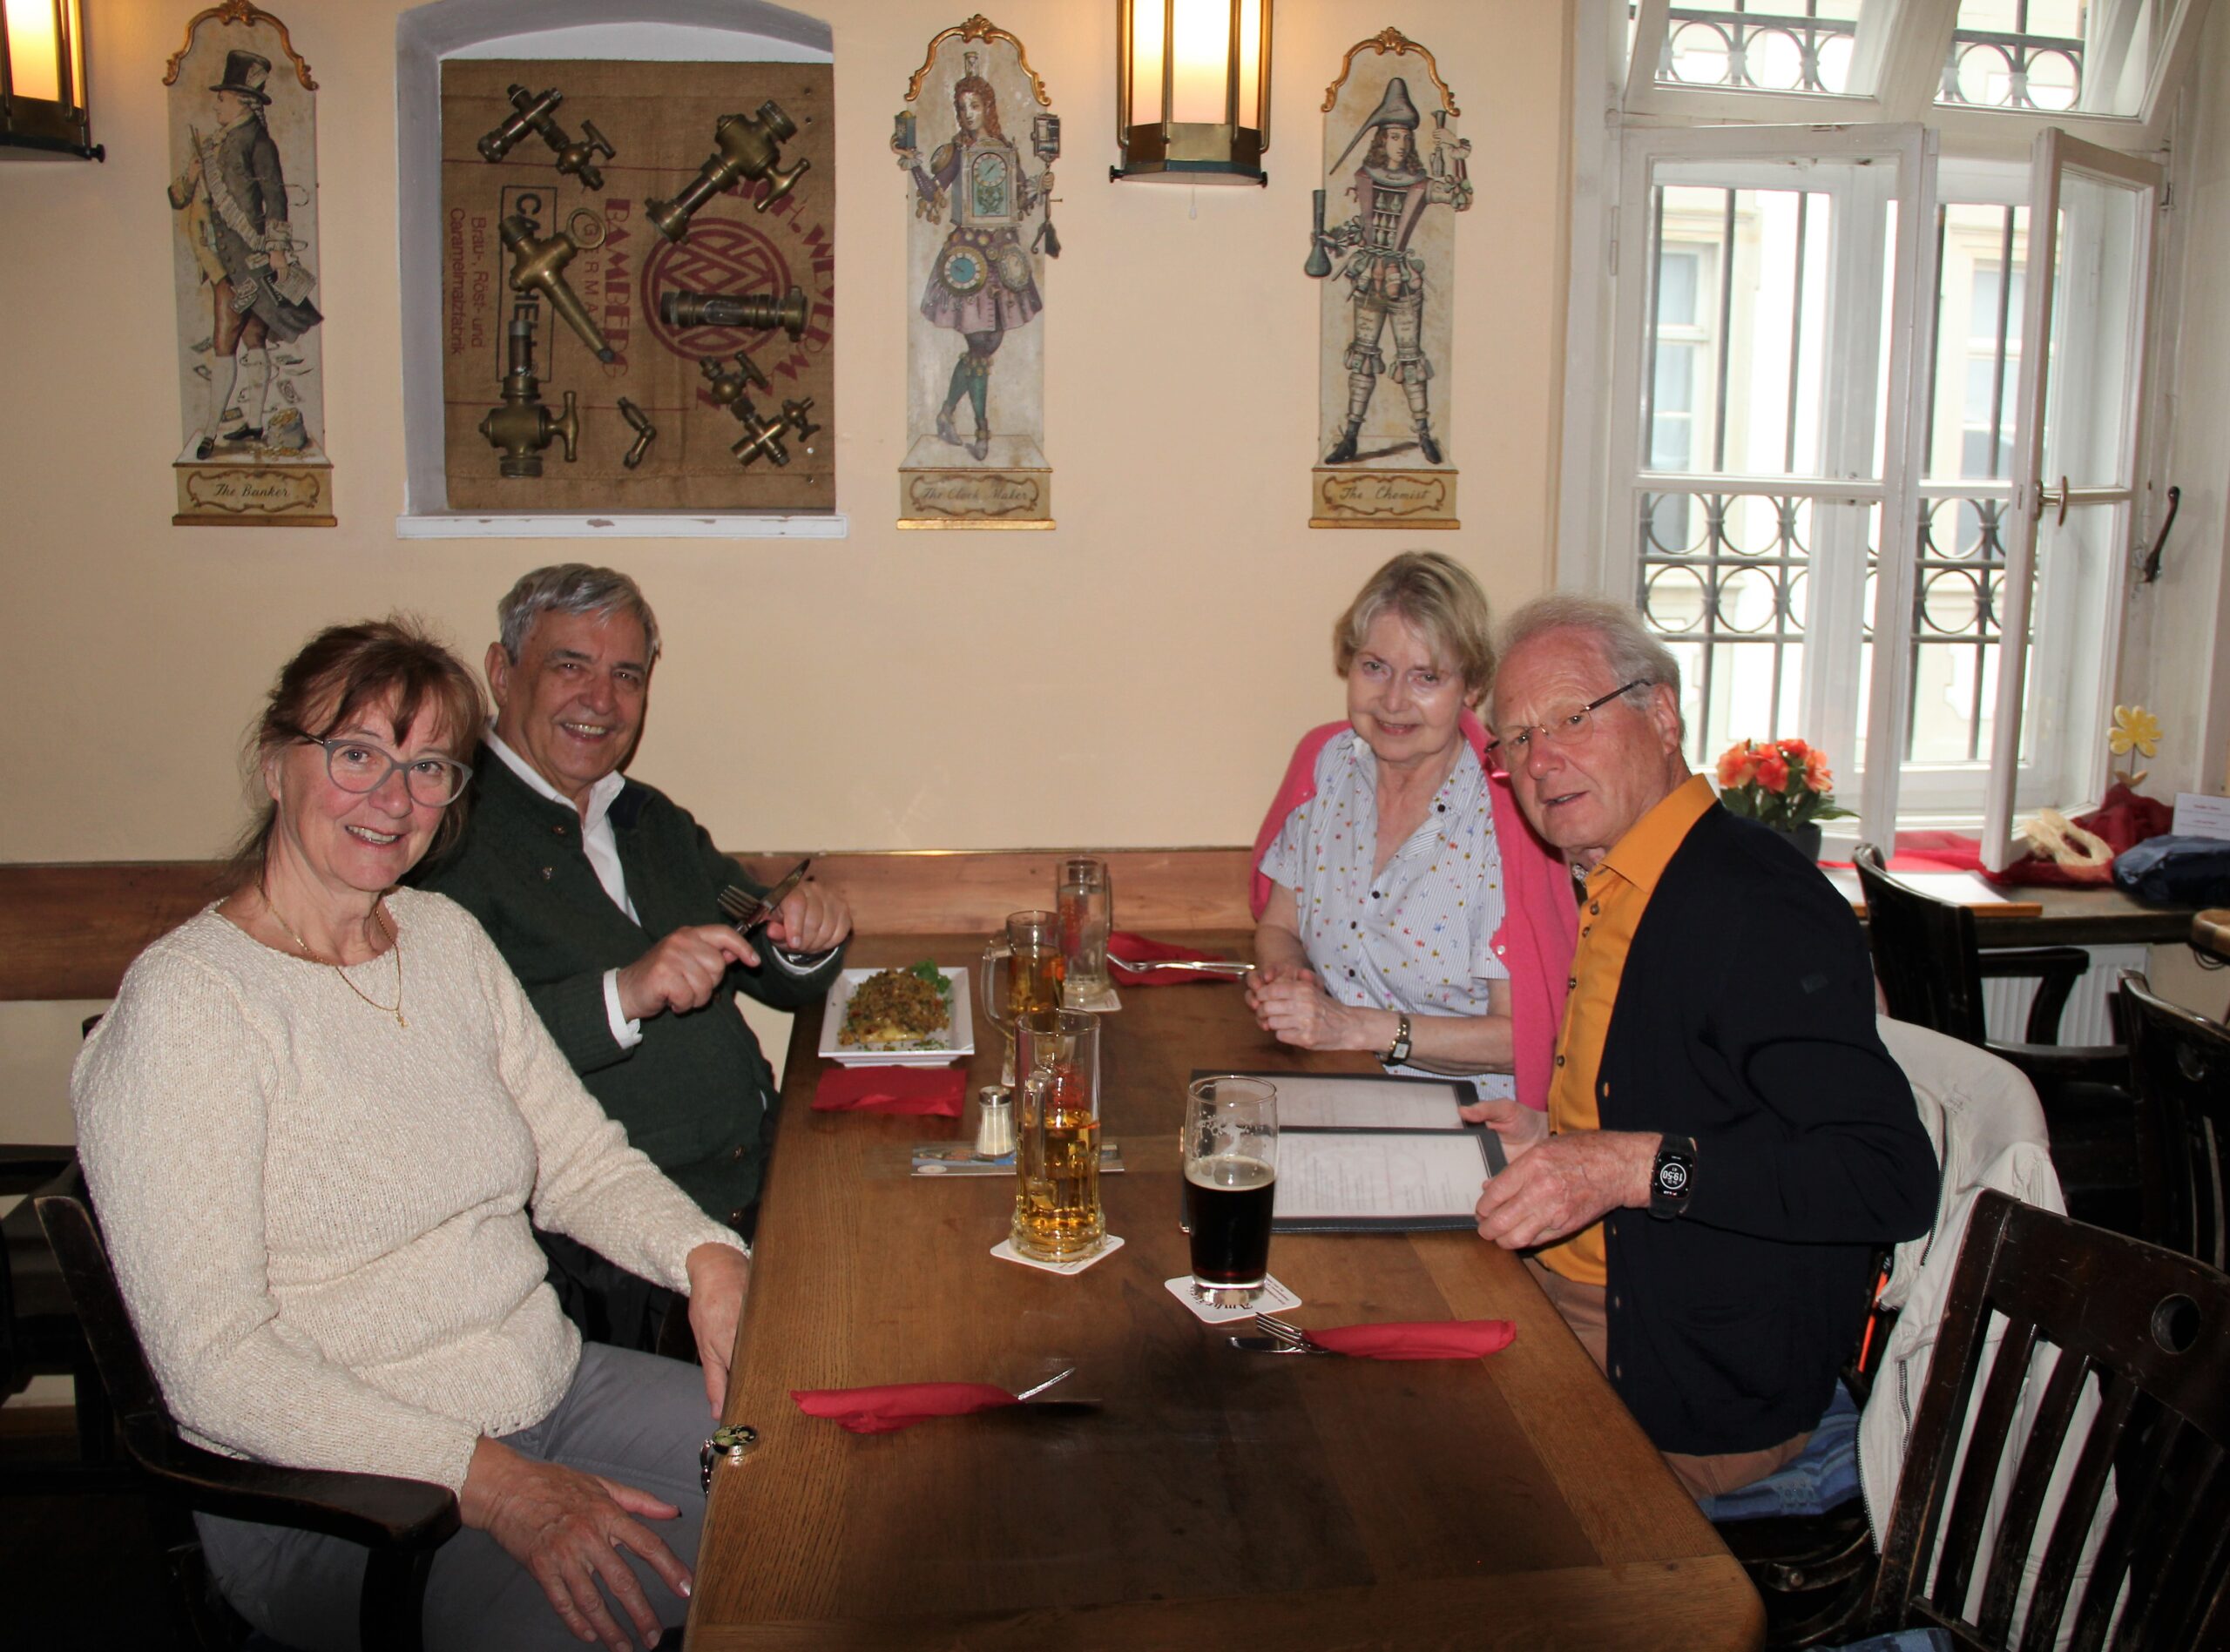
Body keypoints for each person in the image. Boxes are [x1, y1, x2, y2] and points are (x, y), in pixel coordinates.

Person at [73, 619, 750, 1652]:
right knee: (656, 1605)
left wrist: (706, 1255)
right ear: (275, 764)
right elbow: (215, 1366)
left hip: (553, 1389)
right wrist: (498, 1484)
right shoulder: (189, 1007)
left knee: (822, 1490)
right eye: (356, 754)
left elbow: (577, 1162)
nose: (393, 798)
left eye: (429, 766)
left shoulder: (442, 939)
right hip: (338, 1491)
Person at [1465, 593, 1938, 1500]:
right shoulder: (1622, 877)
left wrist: (1631, 1168)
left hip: (1687, 1374)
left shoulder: (1756, 907)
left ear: (1662, 713)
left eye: (1570, 718)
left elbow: (1886, 1176)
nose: (1540, 761)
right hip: (1581, 1302)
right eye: (1515, 740)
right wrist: (1556, 1138)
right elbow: (1696, 1098)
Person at [417, 564, 850, 1350]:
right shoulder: (441, 832)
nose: (601, 700)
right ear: (501, 672)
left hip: (766, 1183)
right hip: (616, 1263)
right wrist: (623, 993)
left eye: (626, 676)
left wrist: (806, 933)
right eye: (570, 666)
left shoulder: (649, 819)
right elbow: (445, 1053)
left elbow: (765, 949)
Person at [1246, 551, 1577, 1107]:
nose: (1394, 701)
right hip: (1331, 1086)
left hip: (1471, 1122)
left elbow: (1528, 1037)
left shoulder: (1508, 818)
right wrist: (1289, 983)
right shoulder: (1324, 765)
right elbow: (1279, 925)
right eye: (1375, 667)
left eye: (1426, 677)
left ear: (1471, 687)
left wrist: (1356, 1028)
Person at [895, 52, 1053, 461]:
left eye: (975, 105)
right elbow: (933, 192)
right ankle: (981, 427)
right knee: (980, 343)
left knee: (989, 342)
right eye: (962, 107)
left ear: (988, 108)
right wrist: (914, 167)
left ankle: (947, 413)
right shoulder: (956, 151)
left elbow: (1020, 199)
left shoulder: (1004, 149)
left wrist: (1039, 187)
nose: (968, 114)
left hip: (1003, 255)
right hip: (968, 255)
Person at [166, 48, 321, 459]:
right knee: (244, 338)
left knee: (242, 337)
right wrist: (193, 175)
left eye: (222, 98)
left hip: (250, 260)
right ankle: (228, 427)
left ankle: (221, 430)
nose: (216, 104)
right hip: (223, 260)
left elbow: (275, 198)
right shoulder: (214, 144)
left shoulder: (258, 141)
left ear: (241, 101)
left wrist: (277, 251)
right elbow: (178, 198)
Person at [1313, 78, 1471, 468]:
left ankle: (1423, 434)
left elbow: (1461, 198)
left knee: (1410, 358)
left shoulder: (1421, 182)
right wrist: (1334, 238)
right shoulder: (1366, 176)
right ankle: (1351, 436)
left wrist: (1458, 156)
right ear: (1382, 140)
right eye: (1394, 136)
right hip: (1369, 276)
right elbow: (1363, 226)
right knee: (1363, 356)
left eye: (1405, 137)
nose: (1400, 144)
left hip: (1402, 278)